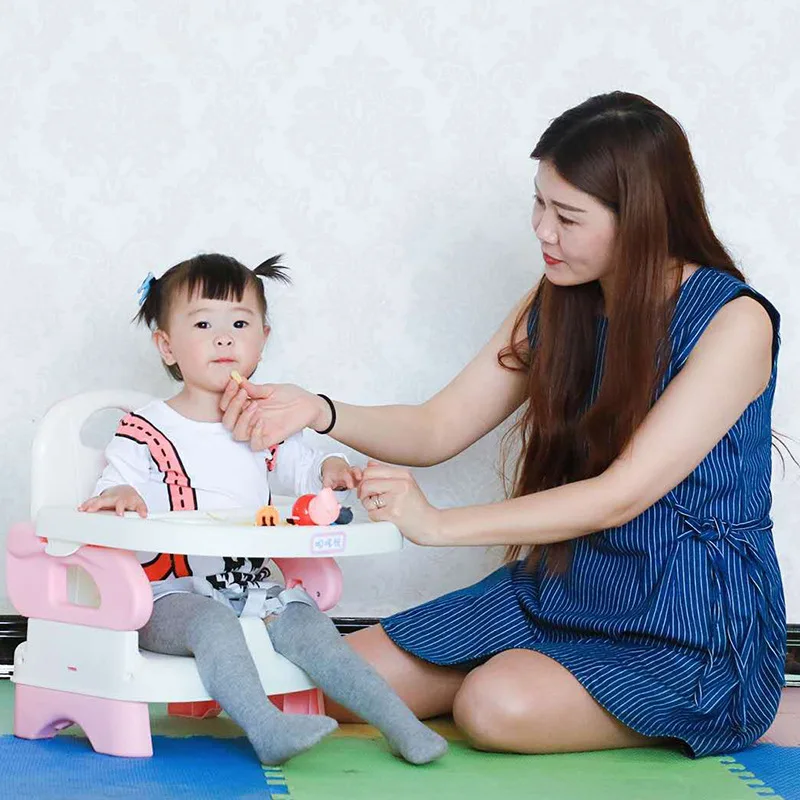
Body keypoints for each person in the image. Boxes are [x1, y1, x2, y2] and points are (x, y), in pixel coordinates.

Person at [217, 92, 786, 758]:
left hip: (686, 619)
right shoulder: (559, 300)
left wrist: (437, 525)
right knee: (327, 686)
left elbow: (621, 495)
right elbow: (436, 428)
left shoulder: (734, 322)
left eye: (567, 216)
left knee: (493, 707)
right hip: (566, 587)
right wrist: (320, 409)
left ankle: (731, 706)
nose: (543, 231)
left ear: (642, 219)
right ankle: (531, 683)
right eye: (539, 204)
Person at [79, 253, 447, 765]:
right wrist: (123, 495)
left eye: (239, 324)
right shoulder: (144, 429)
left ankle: (403, 727)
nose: (223, 338)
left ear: (263, 339)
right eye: (203, 324)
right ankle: (266, 727)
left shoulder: (263, 425)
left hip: (249, 585)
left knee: (312, 628)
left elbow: (306, 470)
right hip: (166, 597)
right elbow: (112, 486)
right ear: (166, 345)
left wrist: (332, 469)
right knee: (212, 624)